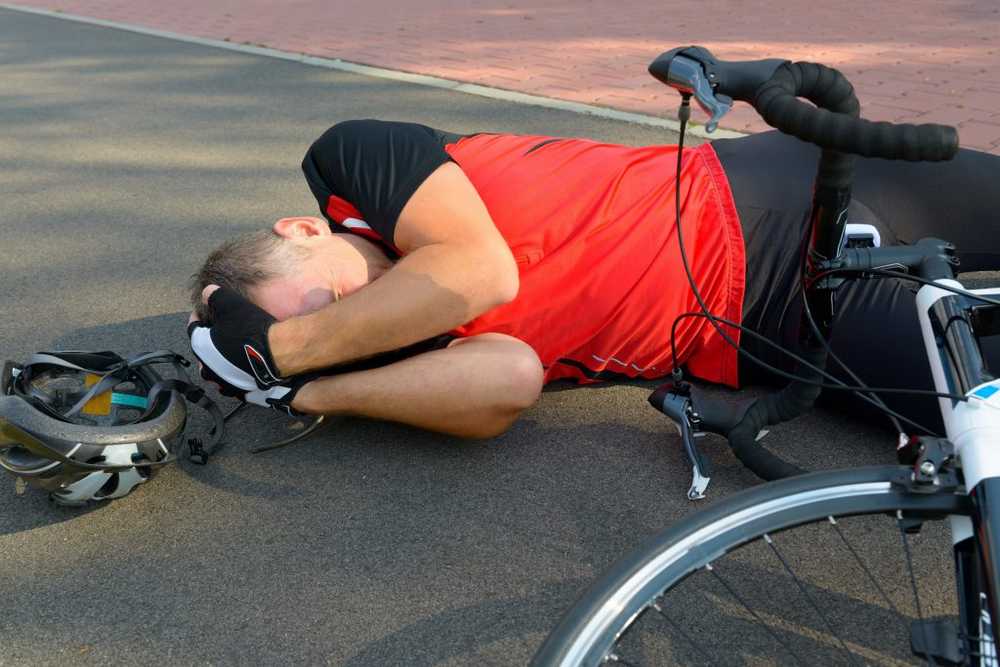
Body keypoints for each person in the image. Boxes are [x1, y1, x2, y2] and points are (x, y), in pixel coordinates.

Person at [188, 119, 1000, 438]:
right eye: (334, 338)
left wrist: (283, 351)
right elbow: (508, 379)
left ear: (299, 230)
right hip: (785, 330)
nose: (349, 324)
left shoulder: (353, 162)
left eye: (325, 304)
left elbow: (478, 271)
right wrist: (307, 390)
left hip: (779, 187)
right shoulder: (408, 353)